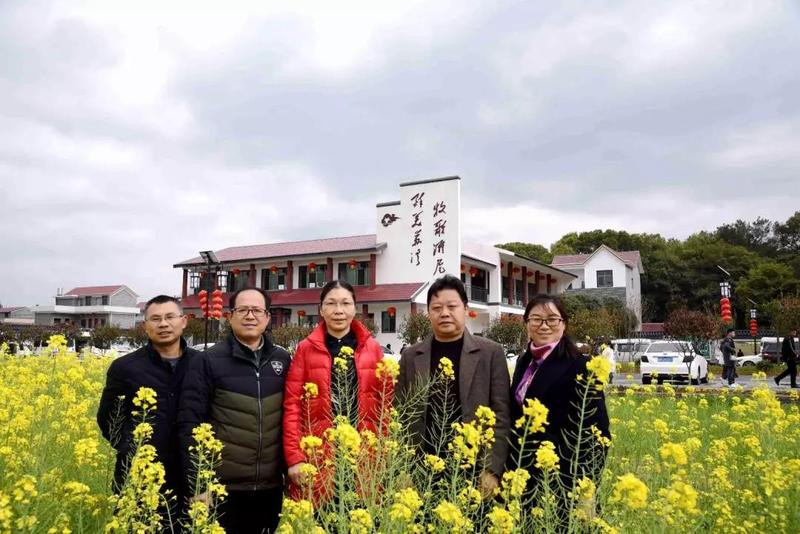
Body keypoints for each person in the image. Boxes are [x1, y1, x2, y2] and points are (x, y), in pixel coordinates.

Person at [178, 287, 291, 534]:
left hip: (270, 489)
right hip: (222, 488)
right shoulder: (207, 360)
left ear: (268, 317)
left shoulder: (282, 360)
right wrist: (198, 482)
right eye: (243, 310)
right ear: (230, 316)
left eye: (257, 310)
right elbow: (190, 424)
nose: (250, 316)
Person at [396, 274, 510, 498]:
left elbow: (502, 416)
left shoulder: (491, 353)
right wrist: (401, 468)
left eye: (452, 306)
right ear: (428, 312)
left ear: (465, 309)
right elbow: (400, 414)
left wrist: (491, 469)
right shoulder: (411, 356)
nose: (444, 313)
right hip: (422, 469)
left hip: (473, 470)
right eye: (436, 307)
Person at [283, 280, 393, 500]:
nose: (339, 310)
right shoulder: (305, 349)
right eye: (331, 303)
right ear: (321, 309)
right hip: (318, 455)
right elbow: (292, 405)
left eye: (345, 303)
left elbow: (386, 406)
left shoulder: (372, 348)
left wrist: (385, 455)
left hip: (364, 456)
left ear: (355, 308)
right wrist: (295, 458)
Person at [97, 295, 199, 517]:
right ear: (145, 326)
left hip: (190, 478)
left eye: (170, 317)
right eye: (155, 319)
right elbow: (108, 420)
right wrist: (131, 449)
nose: (163, 324)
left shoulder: (203, 364)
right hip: (138, 478)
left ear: (183, 321)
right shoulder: (124, 368)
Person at [508, 294, 611, 500]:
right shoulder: (524, 362)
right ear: (527, 324)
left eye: (552, 319)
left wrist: (586, 489)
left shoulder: (581, 366)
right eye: (536, 319)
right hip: (523, 476)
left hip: (562, 481)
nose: (544, 325)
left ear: (563, 324)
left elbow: (598, 432)